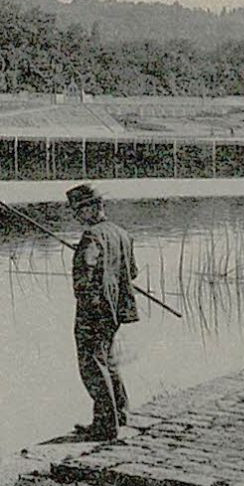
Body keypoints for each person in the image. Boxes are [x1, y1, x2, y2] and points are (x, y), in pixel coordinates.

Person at [67, 183, 139, 440]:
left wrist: (87, 304)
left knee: (92, 365)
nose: (76, 217)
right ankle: (120, 414)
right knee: (107, 360)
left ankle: (106, 426)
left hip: (94, 311)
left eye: (78, 211)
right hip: (115, 310)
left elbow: (84, 278)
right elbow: (132, 272)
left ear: (91, 208)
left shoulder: (91, 238)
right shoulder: (121, 233)